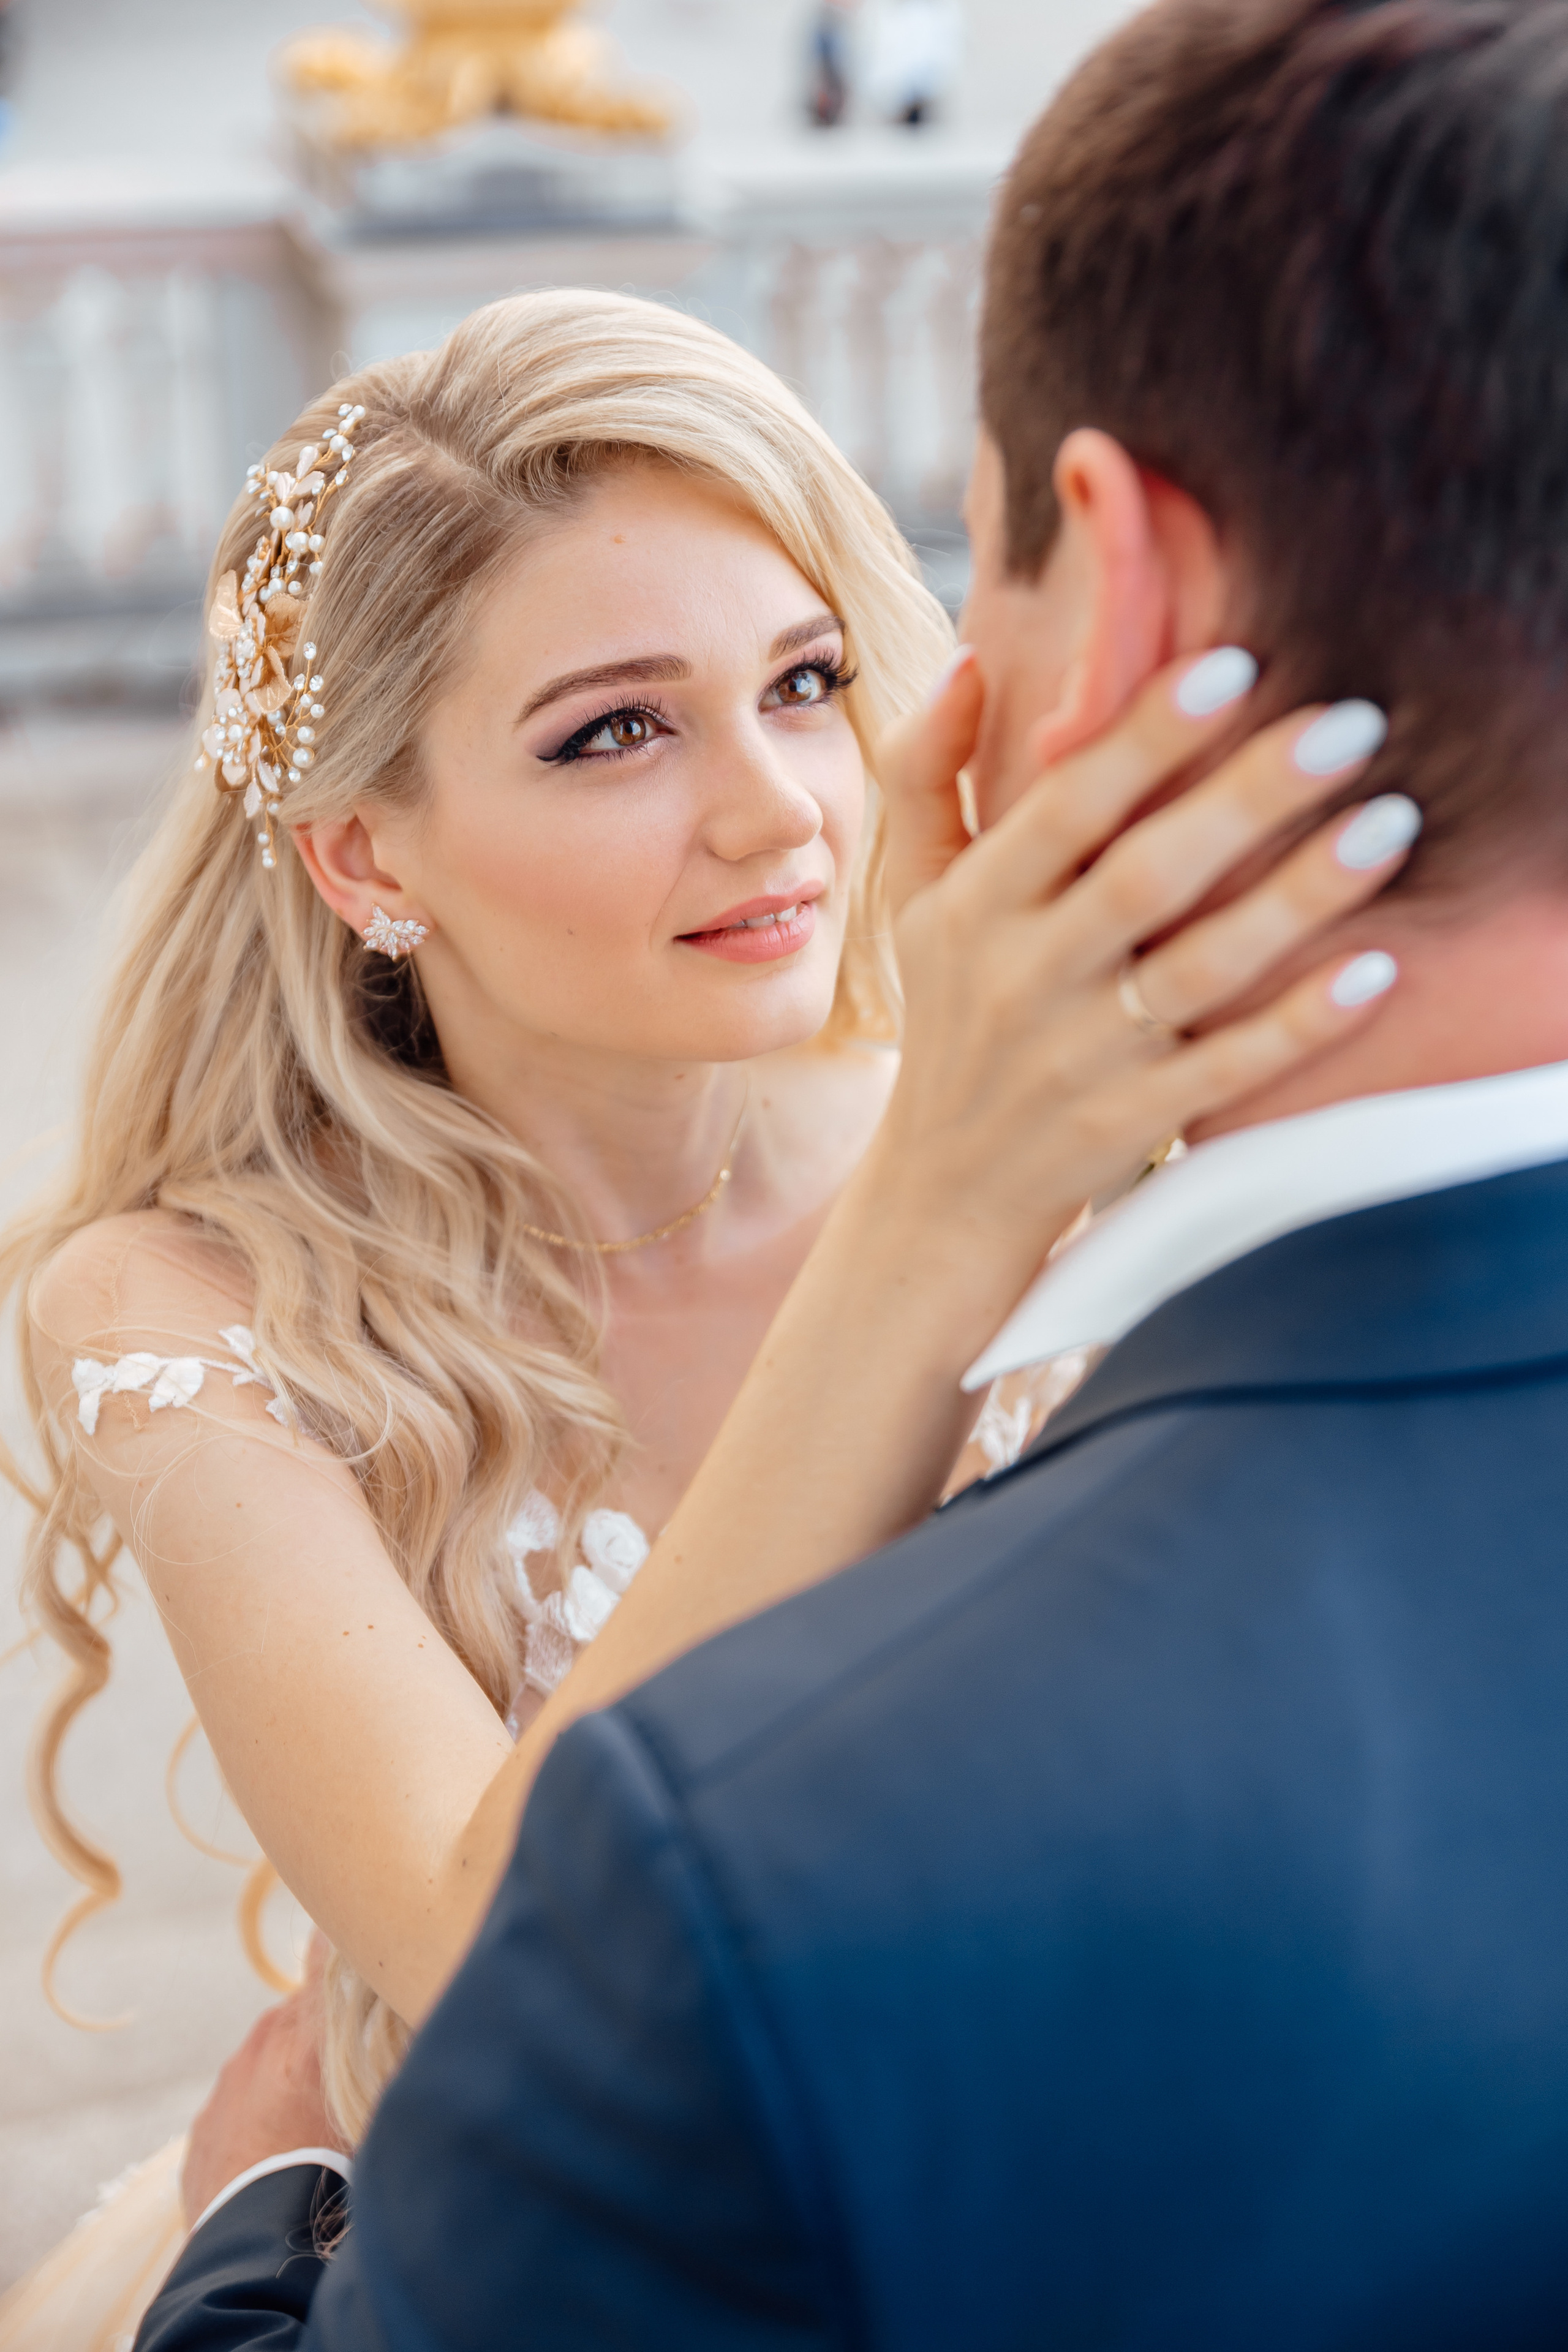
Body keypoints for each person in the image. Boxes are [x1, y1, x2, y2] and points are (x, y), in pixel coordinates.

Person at [127, 0, 1568, 2342]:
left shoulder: (1088, 1141)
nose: (778, 811)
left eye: (809, 681)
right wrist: (948, 1207)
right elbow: (518, 1962)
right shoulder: (185, 1305)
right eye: (615, 732)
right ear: (362, 851)